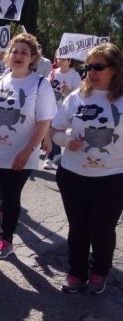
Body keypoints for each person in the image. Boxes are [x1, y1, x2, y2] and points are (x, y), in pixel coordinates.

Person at [0, 33, 57, 261]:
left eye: (24, 52)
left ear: (33, 57)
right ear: (7, 56)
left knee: (10, 198)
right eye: (14, 51)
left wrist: (28, 149)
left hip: (21, 154)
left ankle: (6, 240)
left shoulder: (40, 84)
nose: (18, 55)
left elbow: (44, 121)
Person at [51, 43, 123, 294]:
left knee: (101, 229)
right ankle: (76, 272)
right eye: (89, 66)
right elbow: (55, 130)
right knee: (78, 226)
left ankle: (100, 271)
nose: (91, 72)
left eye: (99, 67)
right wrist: (65, 142)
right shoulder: (76, 97)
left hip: (112, 179)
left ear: (114, 69)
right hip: (73, 175)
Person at [43, 54, 81, 169]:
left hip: (64, 110)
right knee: (49, 131)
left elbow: (79, 97)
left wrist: (68, 91)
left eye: (63, 59)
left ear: (69, 61)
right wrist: (48, 83)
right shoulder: (54, 72)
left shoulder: (75, 76)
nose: (59, 60)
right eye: (58, 58)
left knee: (54, 131)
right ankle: (57, 153)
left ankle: (49, 158)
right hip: (51, 107)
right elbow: (47, 88)